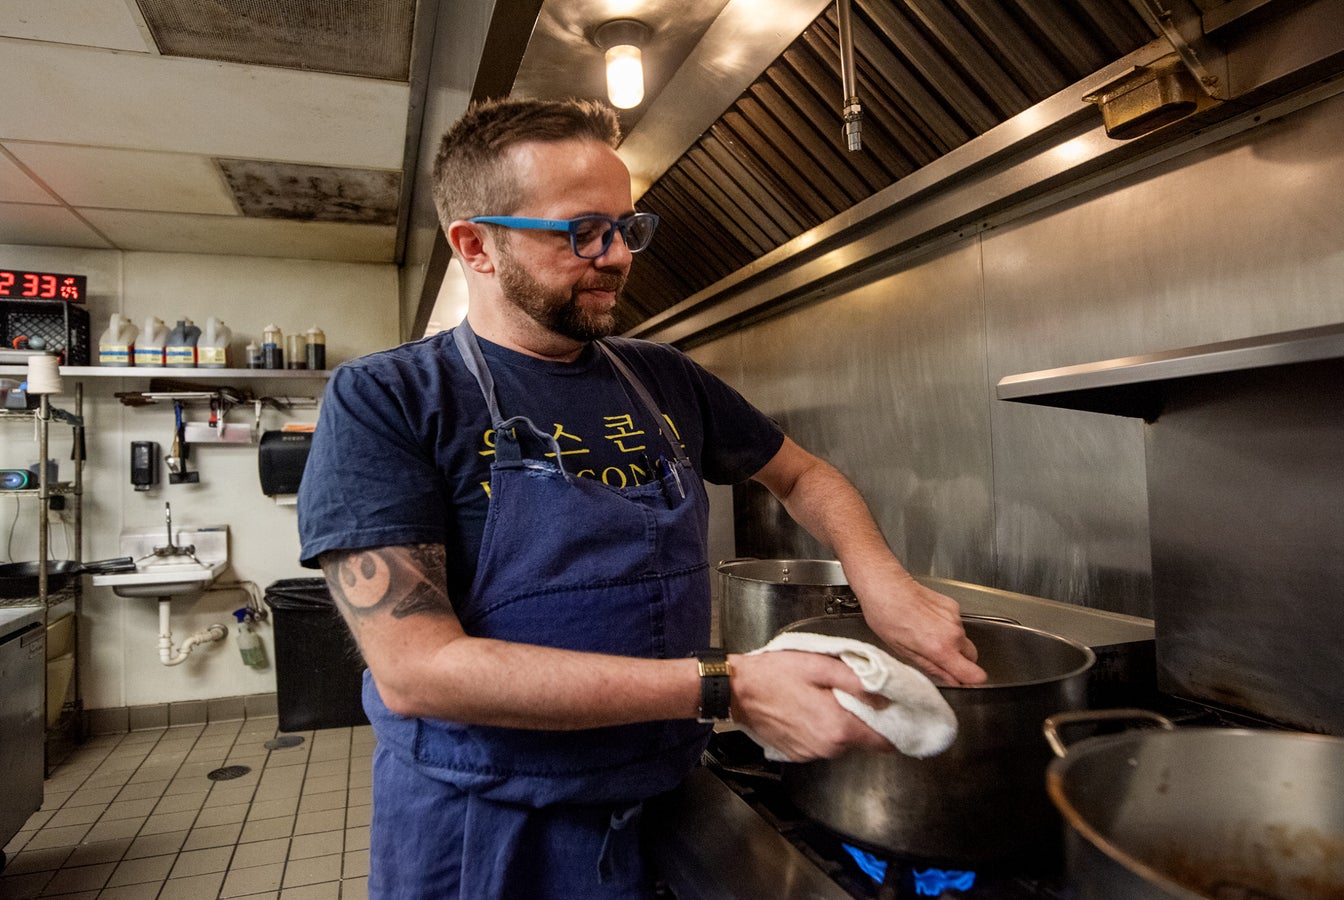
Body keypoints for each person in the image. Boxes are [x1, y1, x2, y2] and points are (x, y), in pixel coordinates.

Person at [296, 96, 986, 900]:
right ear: (476, 245)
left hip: (662, 795)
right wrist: (725, 684)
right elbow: (420, 671)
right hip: (486, 829)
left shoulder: (661, 377)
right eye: (582, 231)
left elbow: (804, 476)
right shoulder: (388, 398)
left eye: (628, 227)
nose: (618, 255)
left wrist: (883, 581)